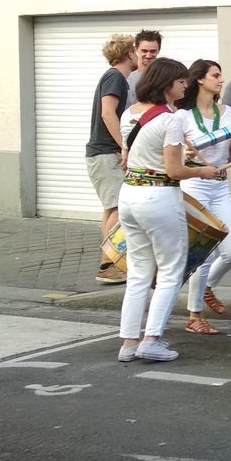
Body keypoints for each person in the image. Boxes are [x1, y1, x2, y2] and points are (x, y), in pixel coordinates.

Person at [116, 57, 223, 363]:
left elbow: (127, 158)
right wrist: (203, 172)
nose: (185, 85)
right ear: (167, 85)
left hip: (130, 195)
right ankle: (152, 339)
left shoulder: (129, 115)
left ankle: (128, 342)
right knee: (170, 271)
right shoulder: (171, 119)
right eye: (180, 81)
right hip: (159, 198)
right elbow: (174, 170)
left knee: (138, 273)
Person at [177, 60, 231, 335]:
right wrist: (188, 155)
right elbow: (175, 155)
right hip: (194, 184)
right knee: (203, 253)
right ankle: (195, 315)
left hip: (219, 185)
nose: (221, 80)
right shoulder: (182, 116)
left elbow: (230, 157)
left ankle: (207, 287)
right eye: (215, 76)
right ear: (200, 80)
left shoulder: (228, 112)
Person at [86, 34, 137, 285]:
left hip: (102, 153)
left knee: (111, 208)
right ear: (129, 54)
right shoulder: (115, 77)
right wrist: (124, 146)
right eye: (137, 51)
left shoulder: (116, 78)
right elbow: (108, 113)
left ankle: (110, 261)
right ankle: (109, 264)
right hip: (106, 153)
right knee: (117, 207)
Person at [126, 29, 162, 104]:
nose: (148, 56)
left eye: (153, 51)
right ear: (136, 49)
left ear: (159, 50)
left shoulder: (165, 77)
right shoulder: (127, 78)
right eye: (144, 51)